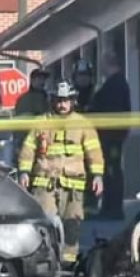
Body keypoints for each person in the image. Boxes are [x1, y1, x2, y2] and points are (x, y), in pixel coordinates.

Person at [18, 81, 105, 267]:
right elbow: (28, 149)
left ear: (73, 101)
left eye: (66, 100)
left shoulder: (83, 125)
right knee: (45, 224)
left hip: (73, 187)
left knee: (72, 226)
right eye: (58, 100)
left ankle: (69, 265)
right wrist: (24, 172)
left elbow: (94, 153)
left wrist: (97, 176)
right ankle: (46, 263)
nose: (62, 105)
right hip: (44, 184)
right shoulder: (41, 122)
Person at [89, 52, 131, 219]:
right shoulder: (115, 84)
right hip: (110, 136)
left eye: (103, 64)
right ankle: (108, 207)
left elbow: (108, 110)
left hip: (112, 137)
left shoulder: (116, 85)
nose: (102, 69)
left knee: (112, 172)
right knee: (109, 171)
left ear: (110, 64)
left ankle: (113, 209)